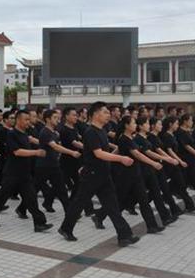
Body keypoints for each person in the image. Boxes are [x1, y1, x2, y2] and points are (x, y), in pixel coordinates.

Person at [59, 101, 139, 247]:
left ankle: (124, 236)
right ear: (95, 114)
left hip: (103, 174)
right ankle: (65, 228)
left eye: (108, 112)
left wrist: (118, 152)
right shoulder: (90, 132)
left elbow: (100, 151)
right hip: (92, 175)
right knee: (79, 203)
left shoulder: (102, 130)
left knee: (113, 206)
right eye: (105, 112)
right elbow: (99, 153)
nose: (108, 115)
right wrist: (121, 158)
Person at [93, 115, 165, 234]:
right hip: (126, 176)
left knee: (143, 200)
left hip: (136, 175)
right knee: (118, 201)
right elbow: (137, 155)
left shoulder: (130, 138)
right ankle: (100, 215)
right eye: (133, 123)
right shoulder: (124, 139)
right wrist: (153, 163)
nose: (135, 125)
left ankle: (152, 226)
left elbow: (118, 150)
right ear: (126, 125)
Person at [0, 110, 53, 233]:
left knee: (32, 198)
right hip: (12, 173)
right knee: (2, 196)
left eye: (29, 119)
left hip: (25, 174)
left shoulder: (25, 134)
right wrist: (36, 152)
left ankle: (39, 223)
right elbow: (17, 152)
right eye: (26, 119)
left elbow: (33, 141)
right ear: (18, 120)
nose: (28, 122)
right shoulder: (12, 134)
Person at [134, 117, 179, 223]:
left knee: (156, 193)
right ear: (140, 126)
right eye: (146, 124)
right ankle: (102, 214)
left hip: (151, 168)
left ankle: (165, 217)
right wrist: (166, 159)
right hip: (143, 170)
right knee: (135, 197)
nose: (148, 126)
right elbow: (148, 153)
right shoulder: (138, 139)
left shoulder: (145, 137)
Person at [30, 109, 75, 213]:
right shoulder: (45, 132)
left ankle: (70, 213)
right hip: (43, 166)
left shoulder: (54, 132)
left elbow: (57, 145)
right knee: (34, 190)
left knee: (62, 190)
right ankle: (22, 208)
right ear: (47, 119)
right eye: (55, 118)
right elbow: (55, 147)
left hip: (54, 165)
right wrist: (71, 152)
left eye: (58, 118)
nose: (57, 120)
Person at [158, 116, 195, 212]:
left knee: (178, 184)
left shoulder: (172, 135)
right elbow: (170, 151)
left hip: (175, 163)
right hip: (172, 164)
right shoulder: (166, 136)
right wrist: (180, 161)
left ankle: (167, 198)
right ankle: (189, 206)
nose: (177, 125)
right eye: (176, 123)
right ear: (170, 125)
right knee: (181, 184)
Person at [59, 108, 83, 194]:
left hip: (75, 159)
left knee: (78, 183)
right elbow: (74, 143)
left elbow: (78, 139)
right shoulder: (64, 130)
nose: (76, 117)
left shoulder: (74, 128)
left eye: (76, 115)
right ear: (66, 116)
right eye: (73, 115)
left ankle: (72, 202)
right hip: (67, 160)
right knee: (60, 184)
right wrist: (89, 148)